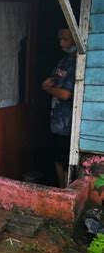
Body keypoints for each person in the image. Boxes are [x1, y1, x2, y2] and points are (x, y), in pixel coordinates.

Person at [42, 28, 77, 188]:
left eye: (66, 39)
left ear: (75, 39)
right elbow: (54, 80)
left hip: (67, 122)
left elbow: (65, 94)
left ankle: (65, 191)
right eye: (60, 39)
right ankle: (60, 189)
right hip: (57, 120)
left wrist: (46, 88)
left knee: (64, 160)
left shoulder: (78, 61)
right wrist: (50, 84)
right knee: (57, 157)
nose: (61, 43)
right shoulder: (64, 60)